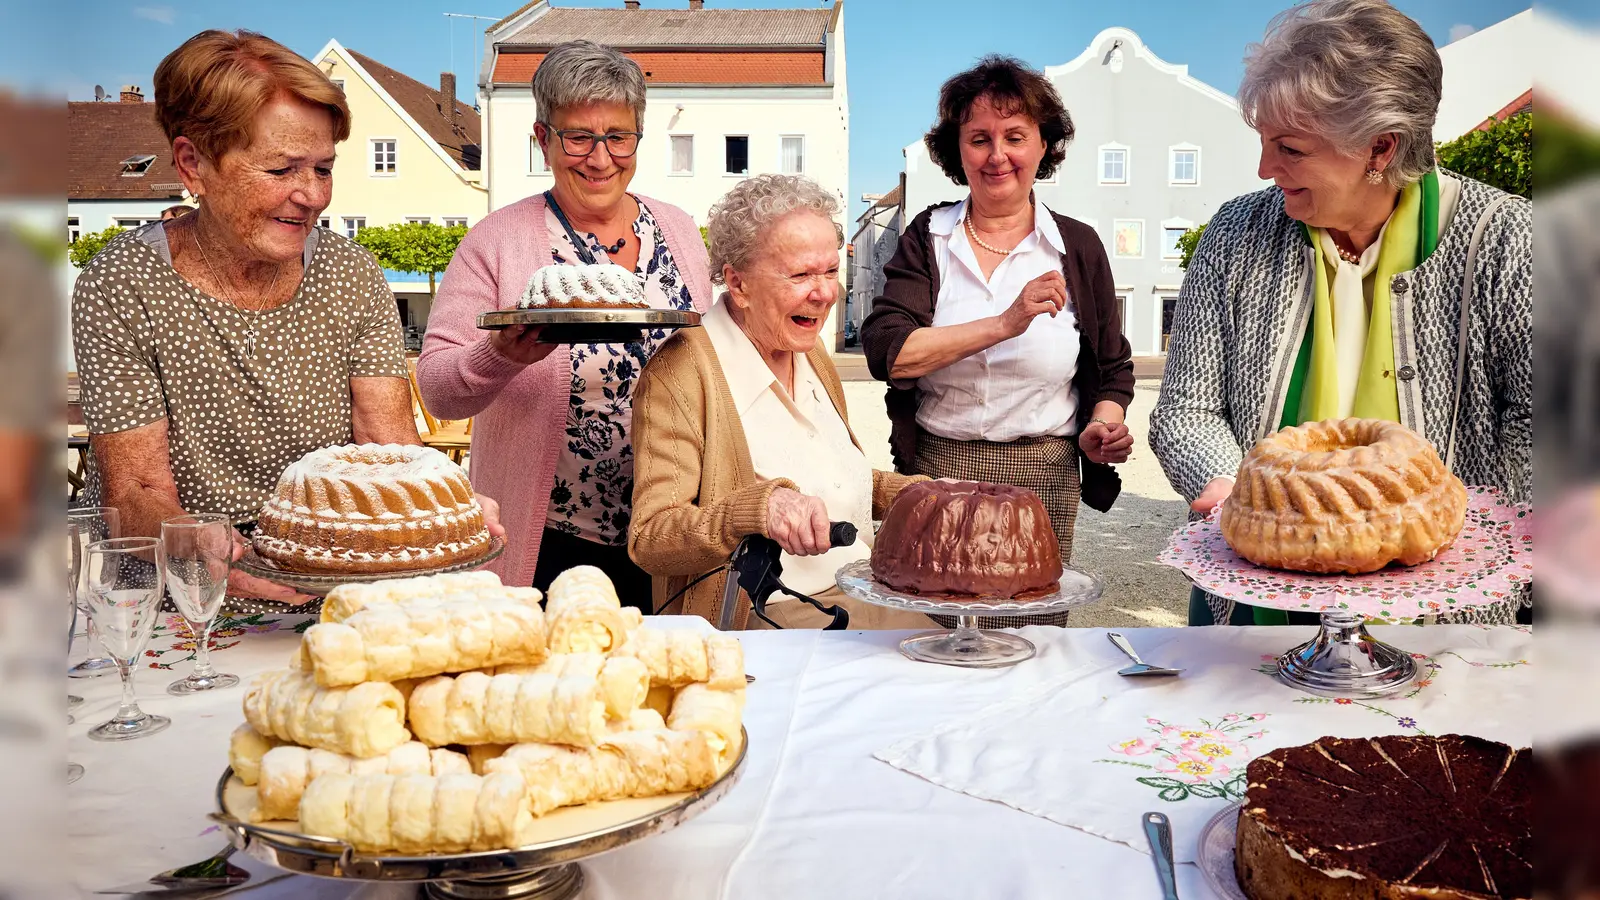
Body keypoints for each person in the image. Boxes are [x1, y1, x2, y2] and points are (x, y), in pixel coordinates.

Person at [71, 30, 502, 606]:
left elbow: (390, 447)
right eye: (281, 170)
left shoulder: (351, 273)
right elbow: (135, 491)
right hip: (174, 601)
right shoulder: (121, 282)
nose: (313, 196)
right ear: (193, 164)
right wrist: (204, 546)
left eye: (323, 168)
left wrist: (447, 508)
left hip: (333, 586)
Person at [1148, 0, 1532, 626]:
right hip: (1258, 598)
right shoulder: (1234, 235)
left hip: (1442, 615)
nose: (1265, 169)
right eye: (1264, 142)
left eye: (1290, 149)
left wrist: (1455, 526)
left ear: (1380, 147)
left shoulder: (1510, 241)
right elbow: (1187, 410)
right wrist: (1236, 494)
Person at [418, 41, 713, 609]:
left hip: (670, 530)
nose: (601, 159)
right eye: (578, 137)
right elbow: (437, 389)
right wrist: (500, 355)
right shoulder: (496, 241)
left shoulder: (677, 230)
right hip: (550, 538)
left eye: (618, 137)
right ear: (543, 138)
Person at [860, 56, 1135, 627]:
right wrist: (1005, 324)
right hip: (939, 471)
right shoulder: (928, 236)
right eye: (979, 139)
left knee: (1030, 642)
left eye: (1015, 137)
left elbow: (1112, 369)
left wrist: (1101, 427)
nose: (997, 155)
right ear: (957, 151)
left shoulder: (1078, 245)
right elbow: (889, 352)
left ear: (1043, 145)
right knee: (934, 632)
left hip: (1043, 475)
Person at [629, 174, 933, 630]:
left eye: (830, 271)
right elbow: (651, 537)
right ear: (738, 284)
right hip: (766, 615)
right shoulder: (682, 371)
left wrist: (918, 494)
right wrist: (759, 511)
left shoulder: (810, 352)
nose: (825, 293)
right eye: (801, 275)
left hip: (864, 590)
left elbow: (830, 476)